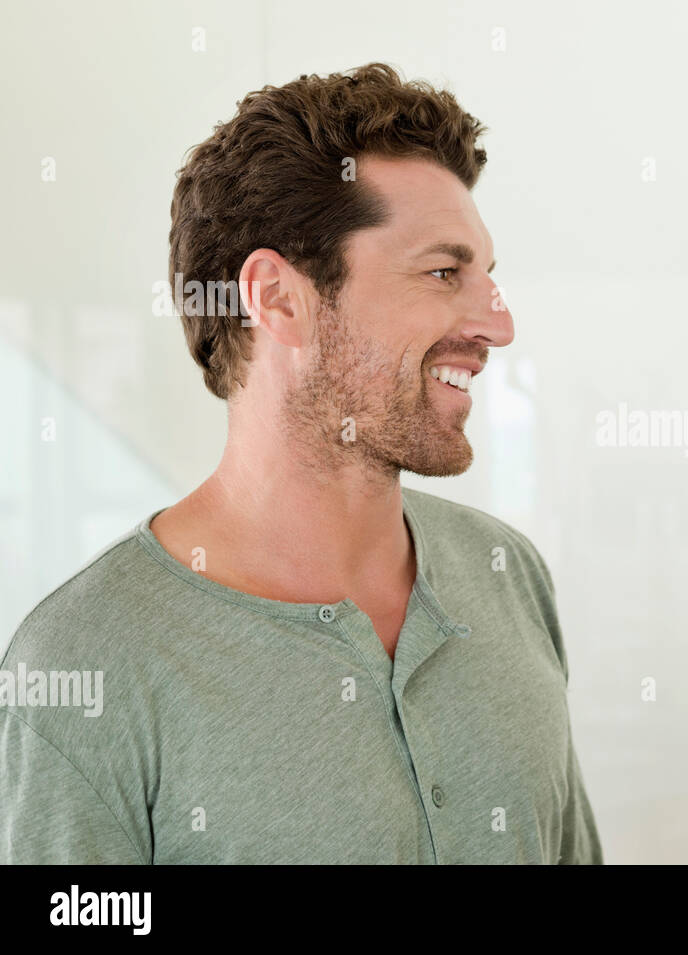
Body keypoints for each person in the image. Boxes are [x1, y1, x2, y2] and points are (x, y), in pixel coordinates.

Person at [0, 63, 602, 864]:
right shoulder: (85, 663)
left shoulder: (507, 574)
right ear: (279, 298)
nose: (498, 324)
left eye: (488, 277)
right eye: (443, 272)